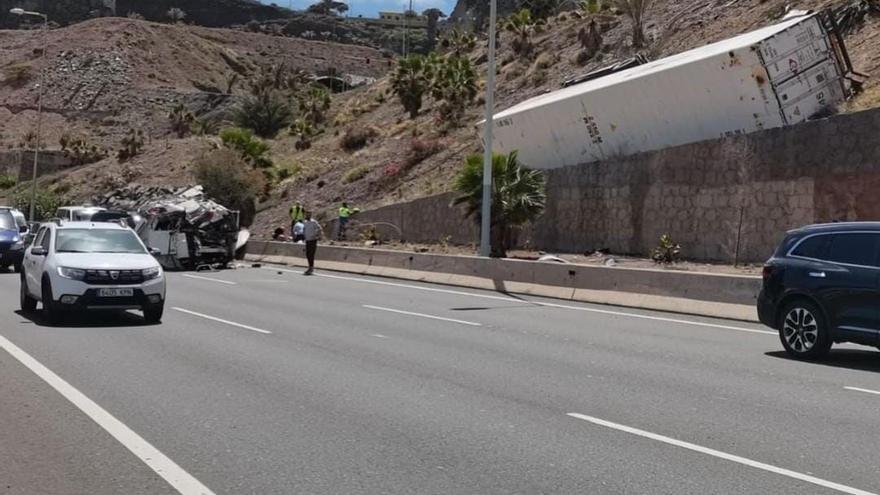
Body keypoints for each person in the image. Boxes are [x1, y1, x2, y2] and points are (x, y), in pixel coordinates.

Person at [302, 211, 323, 275]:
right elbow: (304, 229)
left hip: (313, 240)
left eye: (309, 214)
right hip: (307, 240)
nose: (307, 215)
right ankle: (310, 267)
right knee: (308, 254)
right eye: (307, 214)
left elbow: (319, 228)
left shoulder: (313, 222)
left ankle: (311, 268)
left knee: (311, 254)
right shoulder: (305, 222)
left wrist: (318, 236)